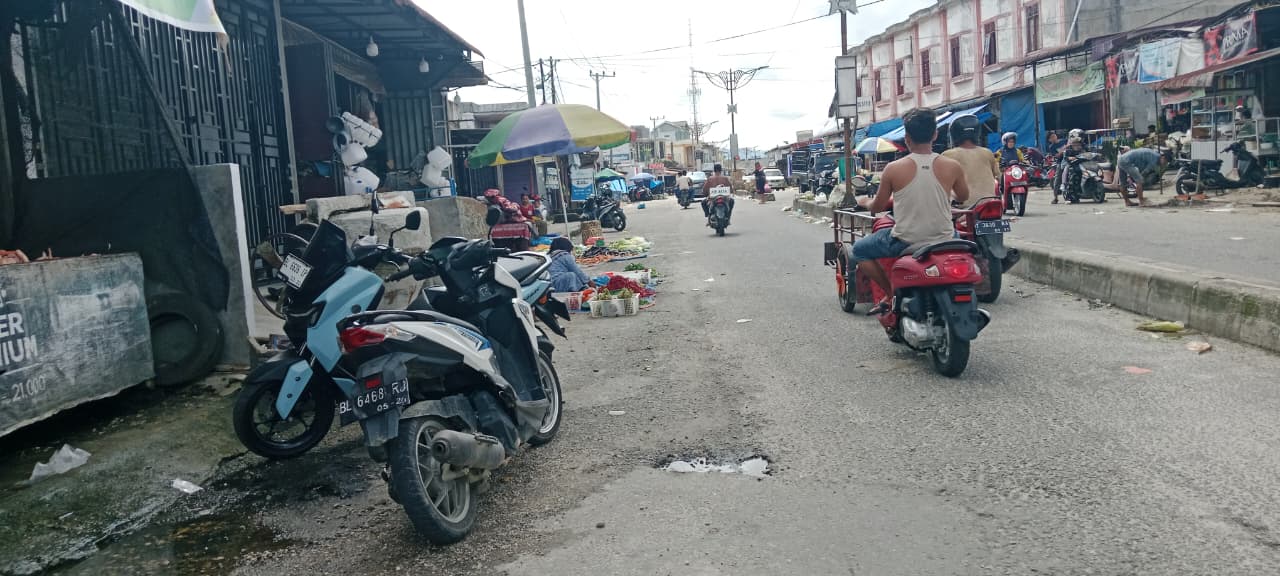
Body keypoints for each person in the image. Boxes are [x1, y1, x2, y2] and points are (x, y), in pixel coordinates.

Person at [854, 108, 970, 315]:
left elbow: (878, 207)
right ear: (935, 134)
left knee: (859, 250)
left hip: (905, 239)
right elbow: (962, 197)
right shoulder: (952, 166)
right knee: (965, 245)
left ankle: (891, 293)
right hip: (945, 237)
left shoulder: (893, 168)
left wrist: (864, 201)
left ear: (906, 138)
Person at [941, 114, 999, 203]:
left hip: (963, 208)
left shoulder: (947, 155)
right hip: (989, 205)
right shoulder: (987, 152)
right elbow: (997, 175)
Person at [1053, 136, 1086, 204]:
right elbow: (1064, 157)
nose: (1077, 145)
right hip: (1064, 164)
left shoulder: (1081, 149)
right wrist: (1070, 157)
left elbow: (1086, 154)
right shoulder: (1068, 150)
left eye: (1078, 143)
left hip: (1077, 164)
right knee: (1059, 177)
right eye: (1075, 143)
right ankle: (1056, 196)